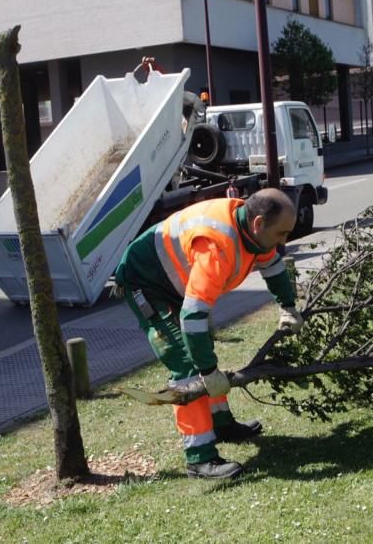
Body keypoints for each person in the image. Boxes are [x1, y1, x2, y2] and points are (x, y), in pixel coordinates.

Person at [114, 188, 305, 479]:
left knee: (203, 355)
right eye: (281, 234)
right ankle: (199, 458)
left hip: (174, 281)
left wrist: (289, 307)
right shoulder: (216, 245)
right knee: (187, 365)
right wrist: (206, 370)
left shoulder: (253, 228)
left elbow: (273, 266)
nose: (284, 242)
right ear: (258, 224)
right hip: (146, 283)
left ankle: (221, 425)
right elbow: (192, 317)